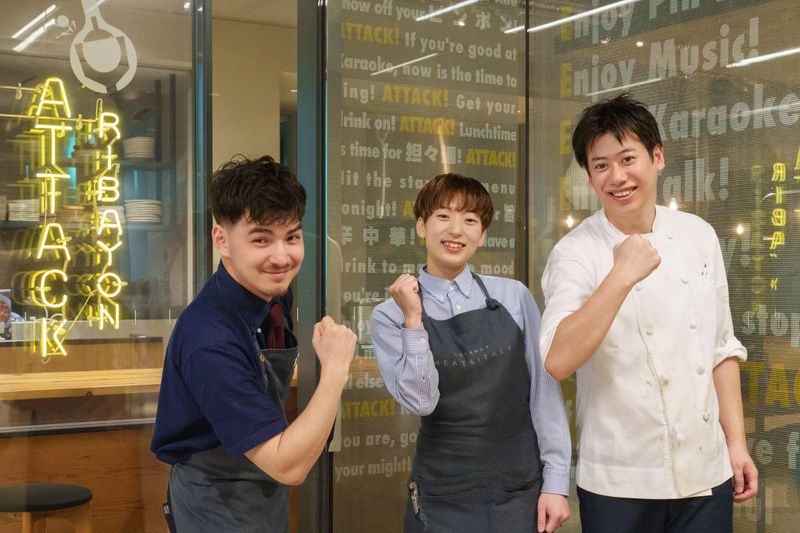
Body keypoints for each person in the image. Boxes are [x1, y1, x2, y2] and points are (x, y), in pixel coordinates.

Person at [539, 93, 758, 533]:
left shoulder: (698, 235)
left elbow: (720, 349)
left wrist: (735, 444)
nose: (617, 177)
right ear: (589, 178)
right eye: (601, 166)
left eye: (627, 159)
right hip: (619, 480)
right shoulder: (574, 252)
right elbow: (558, 360)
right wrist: (620, 277)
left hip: (706, 471)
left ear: (657, 157)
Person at [151, 155, 356, 532]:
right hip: (214, 504)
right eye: (261, 239)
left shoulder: (273, 295)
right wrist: (335, 369)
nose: (281, 257)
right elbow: (289, 467)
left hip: (263, 492)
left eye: (291, 237)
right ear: (222, 240)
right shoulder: (209, 337)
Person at [371, 173, 572, 533]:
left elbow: (543, 392)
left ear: (482, 235)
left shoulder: (513, 297)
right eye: (443, 216)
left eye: (470, 220)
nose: (456, 230)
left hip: (518, 488)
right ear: (421, 226)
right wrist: (413, 321)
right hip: (441, 493)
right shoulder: (390, 315)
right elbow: (421, 402)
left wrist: (556, 482)